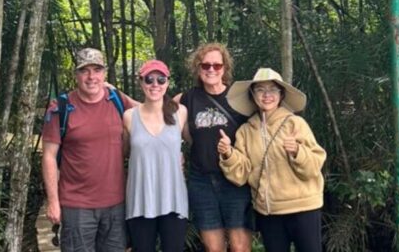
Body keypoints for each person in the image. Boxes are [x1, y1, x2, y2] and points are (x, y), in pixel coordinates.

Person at [218, 68, 326, 252]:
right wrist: (228, 153)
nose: (267, 95)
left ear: (281, 94)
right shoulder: (245, 131)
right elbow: (241, 174)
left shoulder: (295, 123)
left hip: (303, 208)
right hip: (268, 212)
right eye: (260, 90)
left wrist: (297, 151)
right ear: (252, 95)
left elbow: (315, 165)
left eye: (273, 90)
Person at [41, 48, 135, 252]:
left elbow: (151, 114)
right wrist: (53, 202)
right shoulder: (61, 108)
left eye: (97, 70)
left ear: (105, 73)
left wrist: (175, 153)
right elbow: (48, 156)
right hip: (77, 206)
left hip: (116, 204)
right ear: (76, 74)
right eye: (85, 70)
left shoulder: (117, 100)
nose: (91, 77)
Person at [174, 43, 253, 252]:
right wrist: (116, 94)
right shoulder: (188, 98)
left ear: (224, 68)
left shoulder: (239, 99)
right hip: (202, 181)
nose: (211, 70)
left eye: (217, 65)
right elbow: (153, 110)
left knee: (240, 247)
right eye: (205, 65)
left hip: (234, 181)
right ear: (198, 68)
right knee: (213, 248)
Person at [123, 59, 189, 252]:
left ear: (167, 82)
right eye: (149, 79)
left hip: (173, 199)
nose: (155, 85)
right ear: (141, 82)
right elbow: (123, 153)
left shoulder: (180, 112)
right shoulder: (129, 116)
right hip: (140, 200)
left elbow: (197, 142)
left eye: (161, 80)